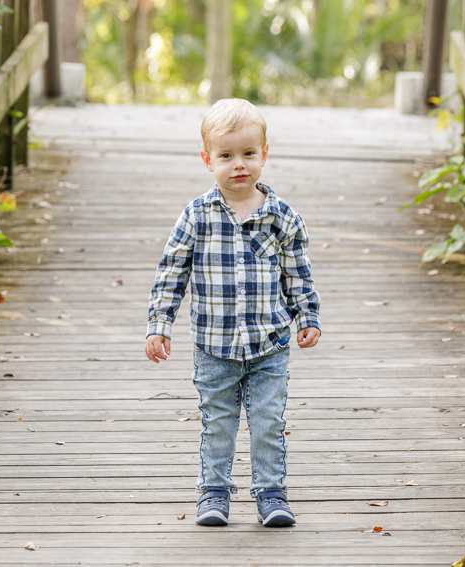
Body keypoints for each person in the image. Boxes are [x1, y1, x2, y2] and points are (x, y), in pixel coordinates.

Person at [145, 98, 321, 527]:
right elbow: (172, 272)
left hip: (269, 345)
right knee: (218, 423)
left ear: (264, 154)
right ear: (208, 160)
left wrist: (307, 316)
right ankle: (214, 492)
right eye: (226, 156)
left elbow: (298, 274)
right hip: (214, 346)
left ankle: (271, 493)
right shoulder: (196, 216)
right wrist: (159, 324)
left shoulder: (283, 218)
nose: (238, 164)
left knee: (267, 422)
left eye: (248, 153)